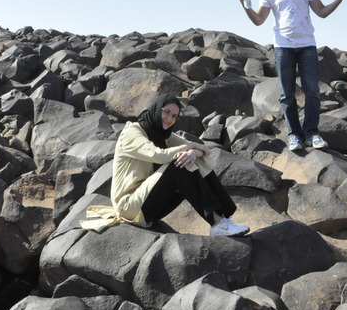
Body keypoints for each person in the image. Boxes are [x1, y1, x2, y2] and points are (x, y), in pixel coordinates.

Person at [82, 93, 249, 237]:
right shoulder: (132, 132)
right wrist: (190, 148)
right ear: (156, 109)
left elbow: (206, 153)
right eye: (166, 112)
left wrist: (193, 152)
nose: (169, 119)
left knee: (189, 159)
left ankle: (222, 219)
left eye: (174, 116)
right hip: (129, 206)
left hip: (149, 204)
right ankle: (217, 224)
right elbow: (157, 155)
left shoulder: (164, 136)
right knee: (179, 164)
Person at [239, 0, 347, 151]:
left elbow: (321, 12)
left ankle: (312, 133)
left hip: (307, 44)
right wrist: (245, 6)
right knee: (286, 94)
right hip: (283, 47)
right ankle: (294, 135)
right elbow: (258, 20)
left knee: (312, 91)